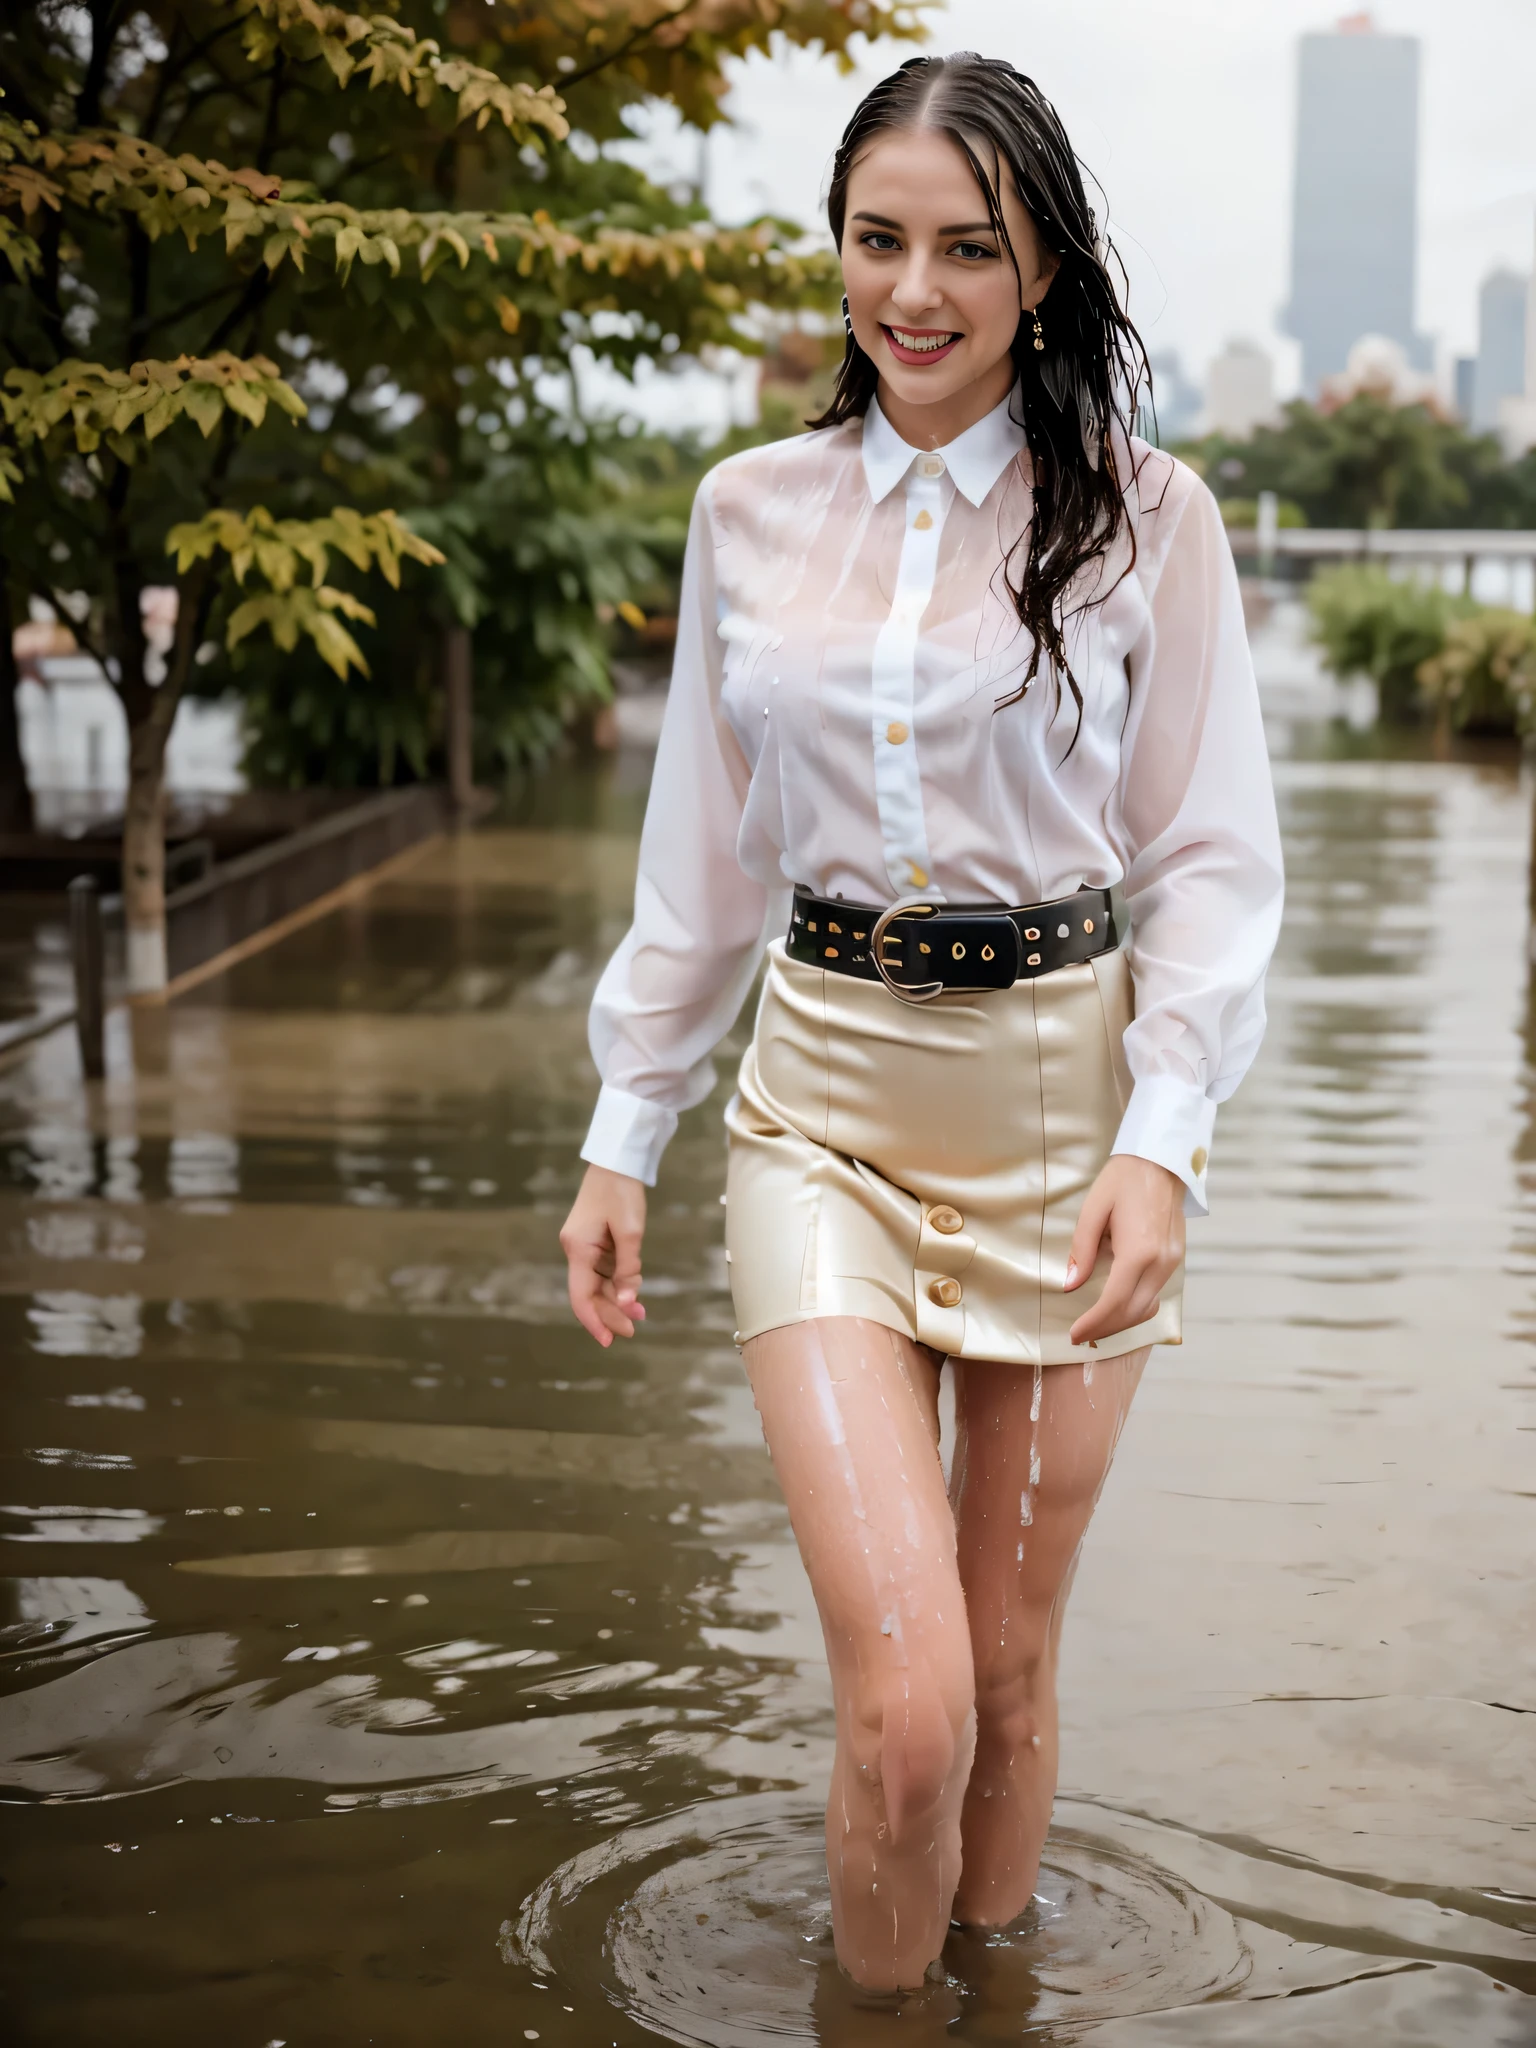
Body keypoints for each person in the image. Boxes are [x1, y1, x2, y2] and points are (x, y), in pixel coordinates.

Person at [560, 51, 1283, 1995]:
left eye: (972, 247)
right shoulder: (748, 513)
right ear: (839, 253)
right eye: (879, 240)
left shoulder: (1148, 518)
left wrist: (1165, 1133)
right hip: (819, 1115)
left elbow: (1211, 860)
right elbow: (702, 857)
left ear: (1042, 267)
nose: (917, 291)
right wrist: (626, 1132)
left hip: (1067, 1121)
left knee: (1010, 1657)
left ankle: (1000, 1993)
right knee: (905, 1705)